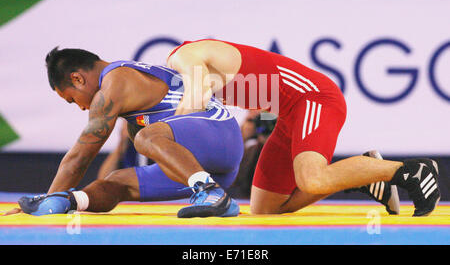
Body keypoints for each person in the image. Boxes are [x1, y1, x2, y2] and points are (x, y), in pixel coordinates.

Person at [166, 39, 441, 216]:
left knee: (312, 179)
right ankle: (366, 174)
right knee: (264, 209)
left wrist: (167, 140)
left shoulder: (183, 57)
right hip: (288, 113)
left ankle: (412, 170)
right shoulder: (192, 74)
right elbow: (258, 98)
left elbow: (196, 97)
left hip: (314, 97)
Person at [7, 47, 244, 218]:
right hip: (213, 165)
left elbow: (80, 157)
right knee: (116, 181)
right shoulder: (130, 100)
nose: (80, 107)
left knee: (146, 137)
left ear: (77, 78)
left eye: (72, 99)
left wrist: (48, 193)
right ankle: (69, 201)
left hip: (221, 134)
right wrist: (54, 199)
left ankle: (209, 192)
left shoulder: (114, 83)